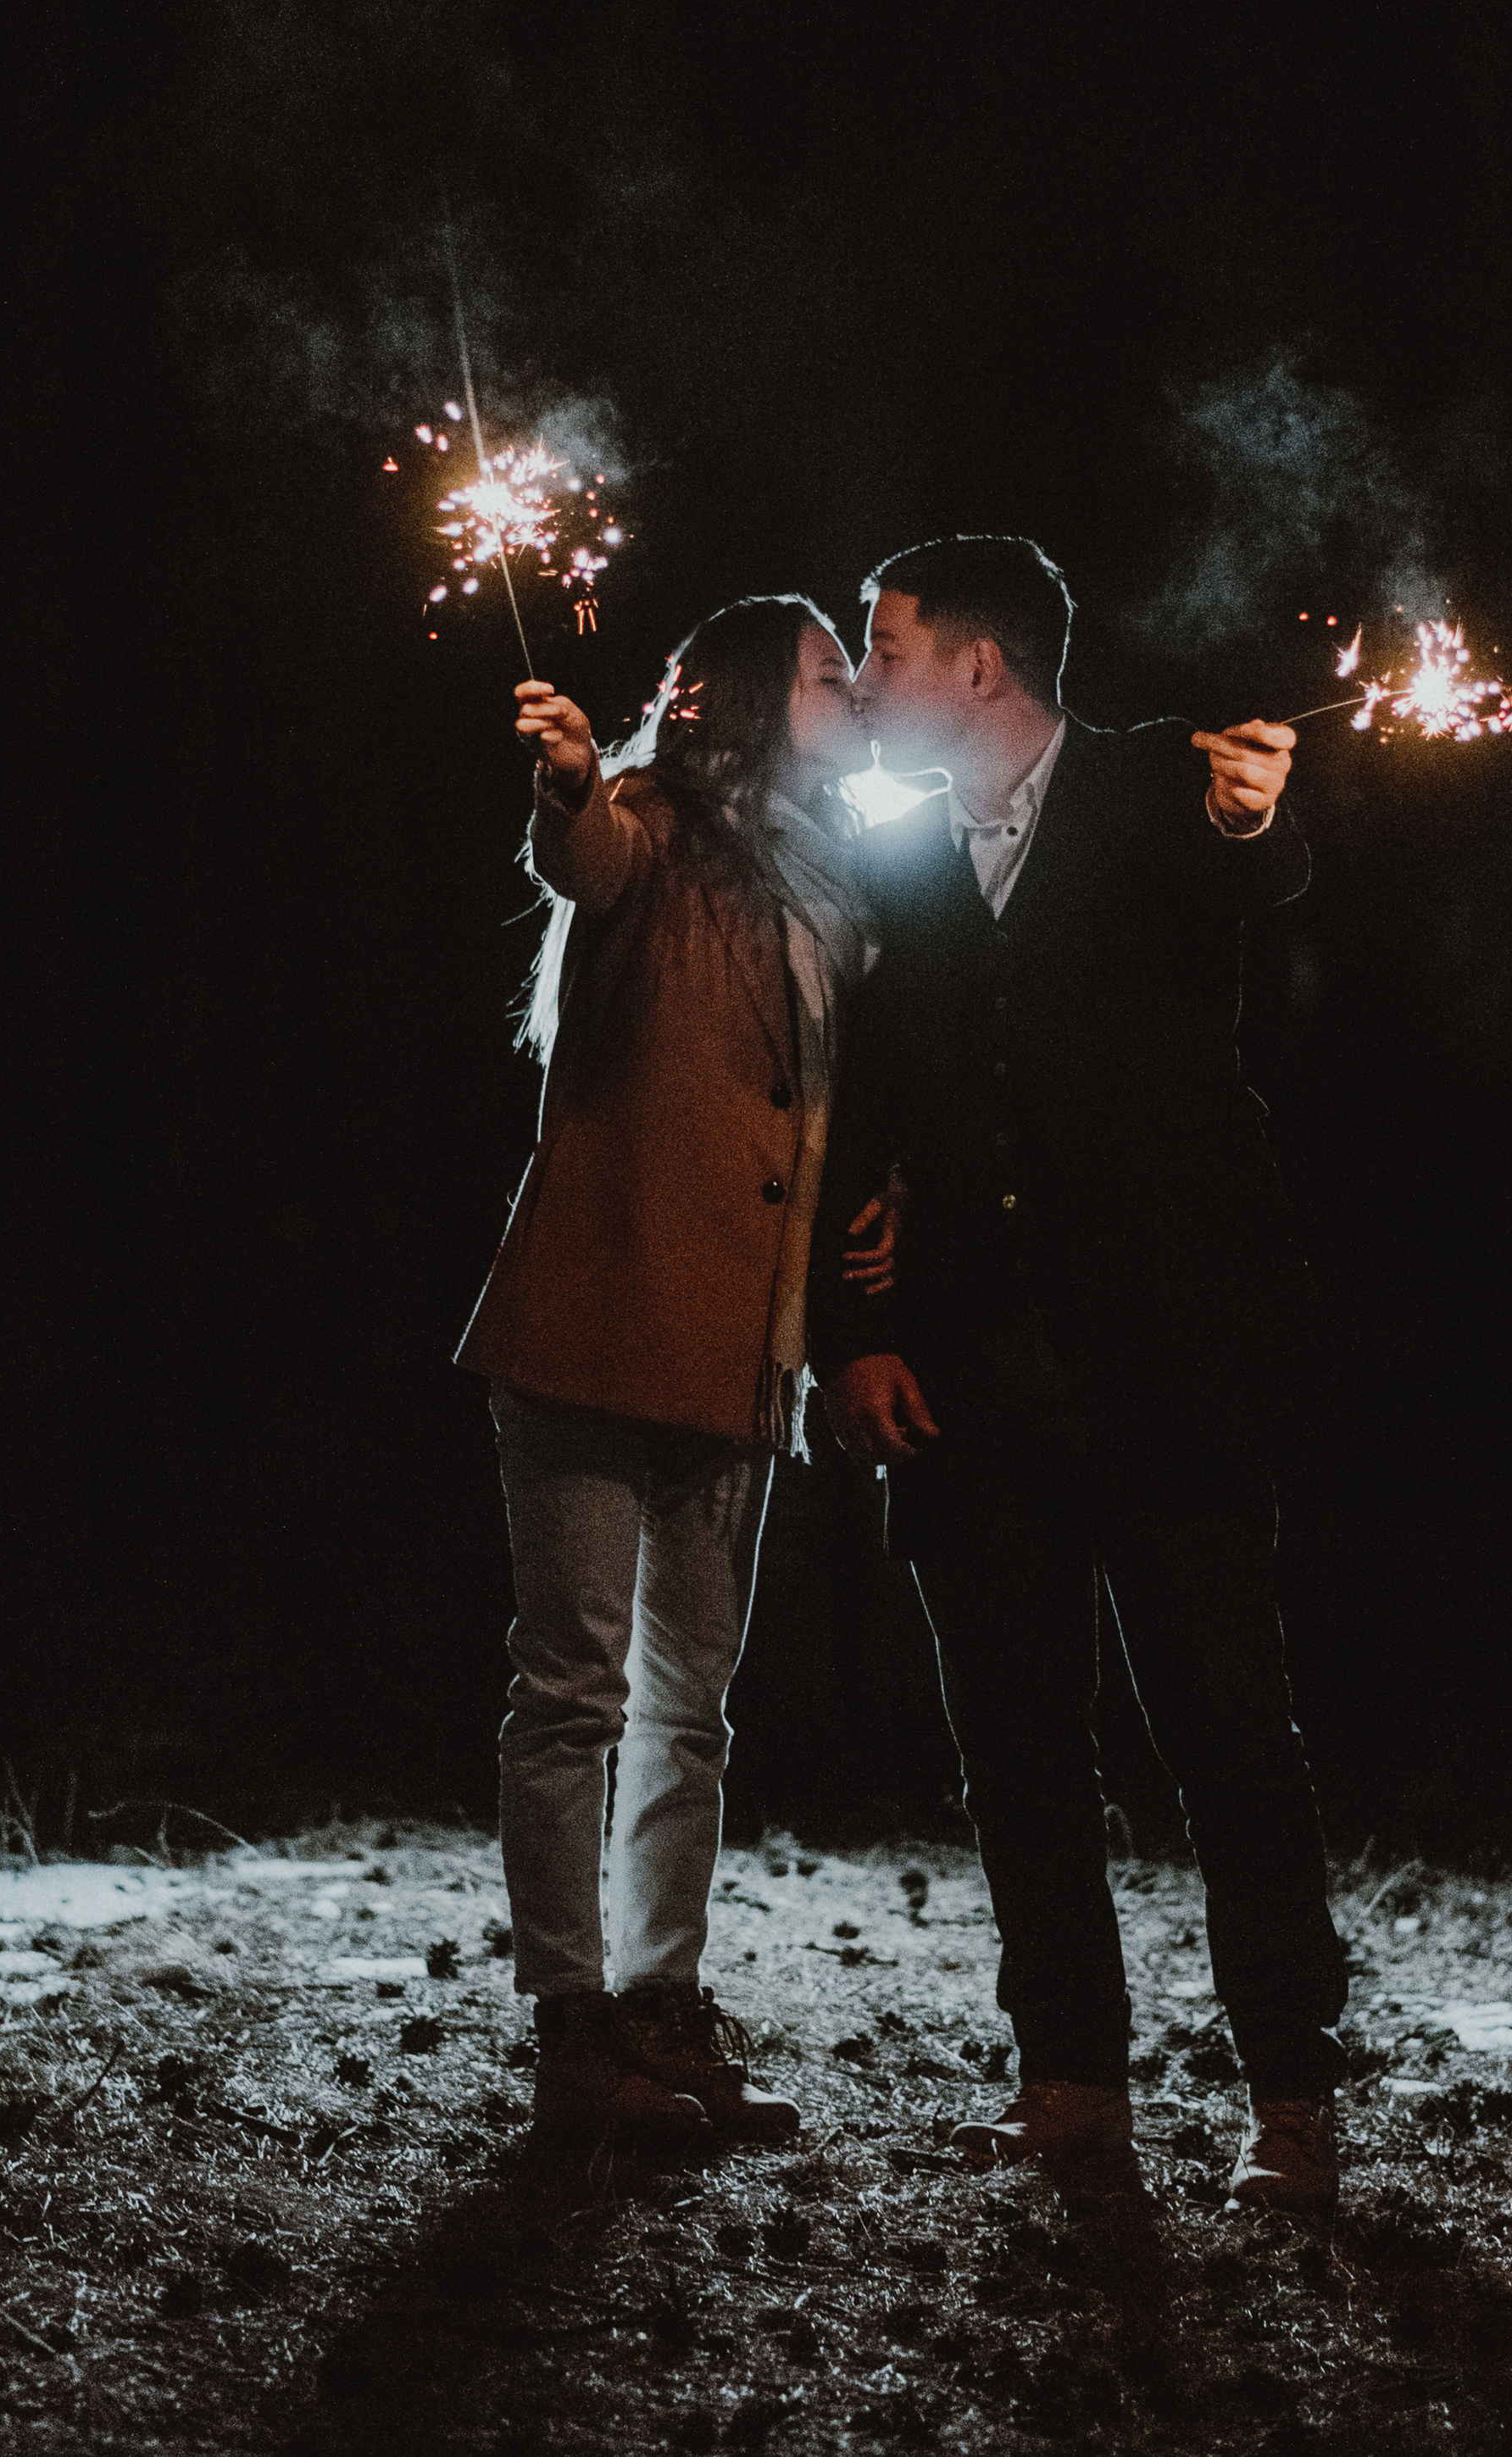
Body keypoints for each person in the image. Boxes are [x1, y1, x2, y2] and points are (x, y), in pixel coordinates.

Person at [809, 534, 1348, 2216]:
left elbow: (1245, 872)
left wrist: (1252, 821)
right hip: (965, 1384)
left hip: (1168, 1366)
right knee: (1017, 1749)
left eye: (886, 647)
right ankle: (1069, 2085)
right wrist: (858, 1334)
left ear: (978, 666)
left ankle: (1290, 2095)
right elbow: (864, 1113)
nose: (866, 678)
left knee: (1226, 1735)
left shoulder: (1155, 790)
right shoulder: (899, 857)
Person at [459, 595, 887, 2146]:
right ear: (758, 695)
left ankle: (660, 2003)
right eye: (831, 674)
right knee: (572, 1688)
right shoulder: (645, 818)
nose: (857, 694)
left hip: (737, 1354)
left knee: (689, 1706)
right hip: (595, 1324)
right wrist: (569, 776)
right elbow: (587, 855)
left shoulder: (838, 877)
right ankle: (572, 2027)